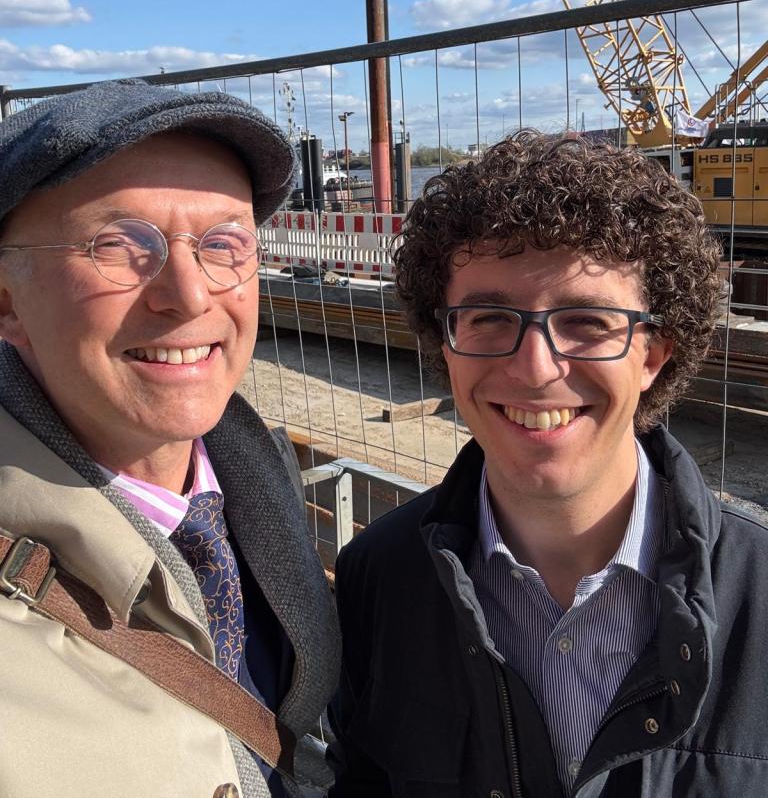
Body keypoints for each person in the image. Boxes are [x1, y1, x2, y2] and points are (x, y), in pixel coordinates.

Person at [327, 131, 768, 796]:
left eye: (586, 321)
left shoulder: (760, 594)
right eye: (488, 318)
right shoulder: (378, 581)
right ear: (446, 345)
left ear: (653, 355)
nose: (535, 368)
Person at [0, 80, 340, 798]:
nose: (188, 293)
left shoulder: (257, 484)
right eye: (120, 244)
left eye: (224, 243)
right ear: (7, 300)